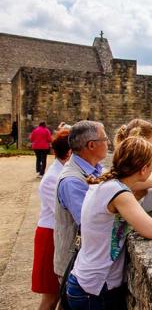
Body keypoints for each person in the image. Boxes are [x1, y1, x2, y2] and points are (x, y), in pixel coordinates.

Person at [54, 121, 152, 278]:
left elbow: (149, 180)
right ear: (91, 145)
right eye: (104, 139)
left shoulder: (98, 172)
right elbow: (89, 225)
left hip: (89, 272)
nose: (109, 143)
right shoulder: (73, 181)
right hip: (83, 270)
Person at [65, 137, 152, 309]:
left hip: (87, 282)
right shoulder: (118, 192)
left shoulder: (107, 183)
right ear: (143, 169)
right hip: (95, 289)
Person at [31, 129, 71, 310]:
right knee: (51, 297)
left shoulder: (62, 172)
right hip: (50, 237)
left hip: (60, 236)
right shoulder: (52, 178)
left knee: (64, 295)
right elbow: (63, 213)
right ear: (69, 153)